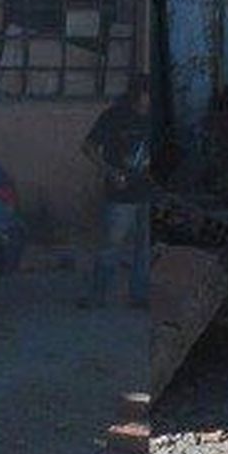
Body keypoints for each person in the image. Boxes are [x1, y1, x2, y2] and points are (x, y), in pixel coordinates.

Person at [80, 74, 151, 307]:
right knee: (111, 246)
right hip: (121, 194)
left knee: (145, 249)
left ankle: (139, 295)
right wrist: (109, 171)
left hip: (150, 192)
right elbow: (88, 146)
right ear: (138, 94)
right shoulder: (114, 116)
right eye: (147, 93)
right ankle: (98, 295)